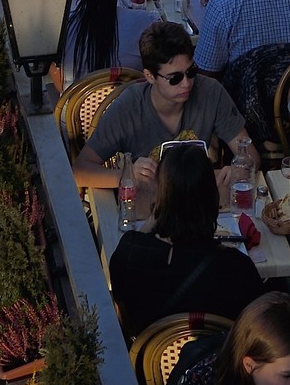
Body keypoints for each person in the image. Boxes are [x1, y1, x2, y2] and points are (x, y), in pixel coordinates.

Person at [108, 141, 265, 340]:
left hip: (151, 365)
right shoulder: (235, 267)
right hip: (214, 365)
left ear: (161, 196)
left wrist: (154, 220)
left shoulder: (129, 252)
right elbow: (256, 329)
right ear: (212, 197)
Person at [73, 20, 250, 191]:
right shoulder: (128, 108)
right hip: (150, 204)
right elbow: (80, 171)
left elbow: (249, 155)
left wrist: (239, 169)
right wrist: (127, 175)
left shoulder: (211, 91)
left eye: (191, 72)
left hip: (197, 198)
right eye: (175, 78)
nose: (187, 83)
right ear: (150, 76)